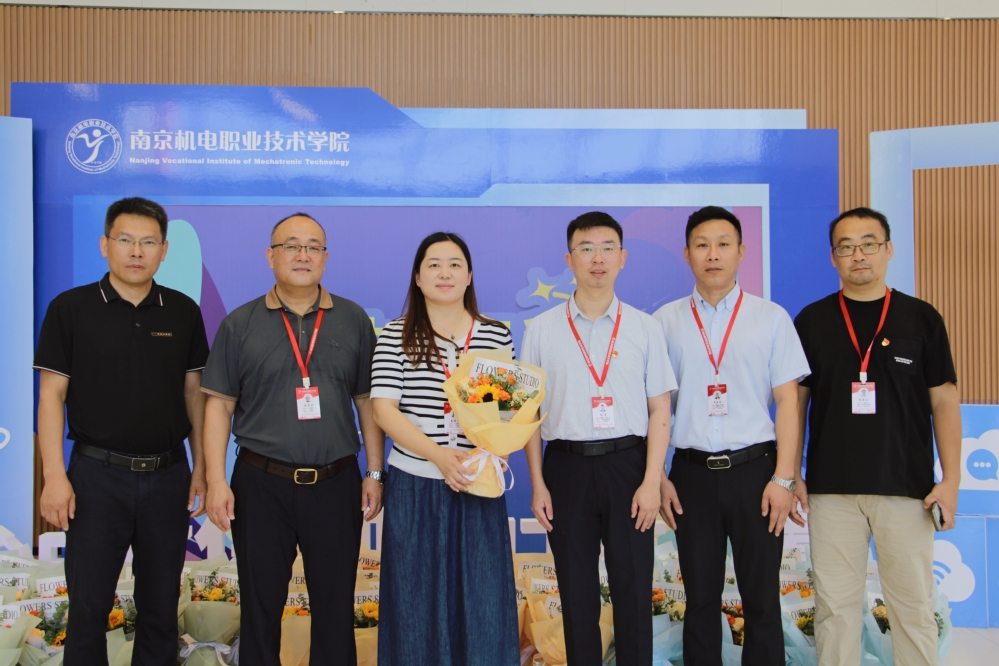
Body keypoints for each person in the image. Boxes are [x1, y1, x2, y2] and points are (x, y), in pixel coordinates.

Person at [201, 213, 385, 666]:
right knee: (260, 609)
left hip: (336, 483)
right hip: (261, 484)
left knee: (335, 608)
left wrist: (375, 472)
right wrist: (216, 481)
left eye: (313, 246)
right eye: (291, 246)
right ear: (271, 256)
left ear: (325, 257)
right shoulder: (240, 323)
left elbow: (368, 401)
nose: (303, 255)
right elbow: (218, 406)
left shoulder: (353, 320)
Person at [34, 197, 209, 666]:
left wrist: (202, 469)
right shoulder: (70, 308)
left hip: (168, 476)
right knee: (88, 608)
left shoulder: (183, 311)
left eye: (148, 242)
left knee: (160, 609)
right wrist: (54, 476)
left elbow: (194, 396)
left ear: (164, 250)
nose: (136, 251)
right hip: (96, 477)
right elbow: (50, 397)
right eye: (126, 240)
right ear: (105, 244)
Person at [793, 207, 961, 666]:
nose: (858, 255)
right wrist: (792, 474)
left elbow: (945, 402)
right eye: (846, 247)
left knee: (913, 608)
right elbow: (795, 405)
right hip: (831, 490)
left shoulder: (921, 319)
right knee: (835, 611)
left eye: (868, 244)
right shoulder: (812, 321)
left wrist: (950, 480)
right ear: (833, 257)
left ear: (888, 249)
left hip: (906, 489)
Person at [654, 206, 809, 665]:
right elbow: (655, 409)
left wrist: (784, 478)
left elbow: (788, 401)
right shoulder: (663, 322)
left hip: (756, 473)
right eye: (702, 245)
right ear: (687, 253)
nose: (713, 254)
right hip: (691, 475)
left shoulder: (771, 318)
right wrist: (658, 475)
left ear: (741, 251)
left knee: (761, 599)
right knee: (699, 599)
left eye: (723, 244)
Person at [523, 212, 677, 666]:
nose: (597, 258)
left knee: (633, 588)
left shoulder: (645, 327)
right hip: (565, 467)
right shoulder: (541, 329)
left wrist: (651, 481)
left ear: (623, 258)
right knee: (576, 592)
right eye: (586, 248)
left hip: (629, 466)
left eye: (608, 248)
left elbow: (660, 409)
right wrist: (538, 484)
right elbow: (528, 415)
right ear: (569, 258)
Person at [370, 231, 519, 666]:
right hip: (416, 482)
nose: (445, 273)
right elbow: (384, 410)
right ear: (417, 277)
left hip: (477, 483)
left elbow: (506, 412)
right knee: (414, 602)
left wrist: (493, 452)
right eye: (433, 265)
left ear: (469, 276)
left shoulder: (495, 335)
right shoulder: (395, 334)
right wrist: (438, 455)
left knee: (483, 600)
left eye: (455, 264)